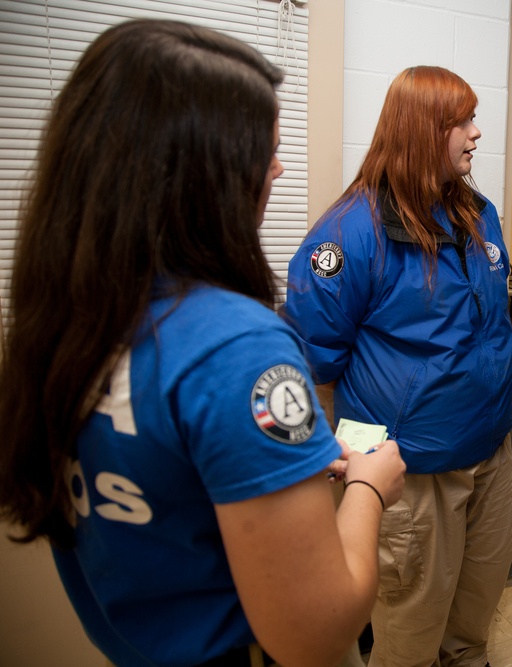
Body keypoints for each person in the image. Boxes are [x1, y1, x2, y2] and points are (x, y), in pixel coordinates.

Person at [0, 19, 406, 667]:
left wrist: (283, 457)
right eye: (261, 151)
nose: (276, 168)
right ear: (201, 173)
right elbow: (317, 630)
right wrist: (370, 486)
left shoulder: (68, 321)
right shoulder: (239, 348)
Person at [282, 66, 512, 667]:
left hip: (491, 449)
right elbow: (319, 364)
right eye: (462, 121)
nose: (476, 132)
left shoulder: (477, 213)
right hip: (413, 472)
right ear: (422, 130)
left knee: (476, 603)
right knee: (410, 624)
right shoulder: (349, 234)